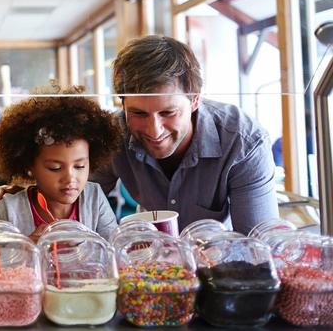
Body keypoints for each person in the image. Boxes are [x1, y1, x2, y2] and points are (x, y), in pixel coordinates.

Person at [92, 35, 278, 234]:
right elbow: (76, 207)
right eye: (139, 113)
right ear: (123, 105)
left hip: (221, 257)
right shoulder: (112, 135)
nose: (154, 130)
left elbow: (259, 245)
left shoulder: (244, 142)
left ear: (195, 100)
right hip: (149, 255)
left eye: (168, 112)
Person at [0, 88, 122, 242]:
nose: (70, 178)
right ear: (30, 165)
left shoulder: (94, 198)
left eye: (80, 166)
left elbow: (115, 250)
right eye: (55, 168)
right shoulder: (8, 209)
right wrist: (25, 249)